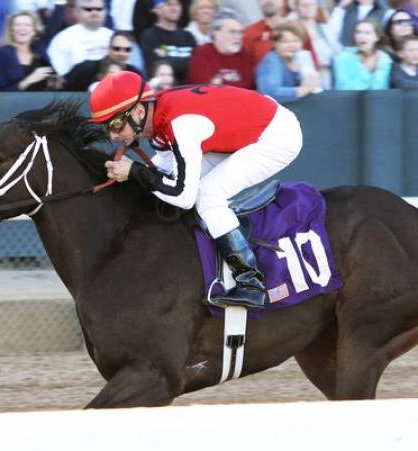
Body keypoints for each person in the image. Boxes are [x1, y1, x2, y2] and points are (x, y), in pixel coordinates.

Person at [90, 70, 303, 309]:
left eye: (116, 124)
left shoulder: (181, 124)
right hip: (249, 124)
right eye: (106, 127)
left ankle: (251, 282)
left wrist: (134, 172)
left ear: (139, 111)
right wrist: (134, 174)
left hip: (277, 136)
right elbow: (165, 170)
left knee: (208, 194)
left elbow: (183, 195)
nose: (113, 134)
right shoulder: (156, 116)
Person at [256, 20, 321, 103]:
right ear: (275, 43)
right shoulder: (271, 61)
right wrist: (303, 89)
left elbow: (313, 86)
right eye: (285, 42)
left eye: (296, 41)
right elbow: (270, 92)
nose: (292, 45)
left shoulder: (301, 56)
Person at [0, 11, 56, 91]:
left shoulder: (40, 51)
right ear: (11, 30)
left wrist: (53, 82)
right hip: (14, 102)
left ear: (34, 31)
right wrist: (28, 80)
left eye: (27, 25)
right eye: (17, 25)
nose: (22, 28)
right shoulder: (2, 54)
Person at [187, 12, 255, 88]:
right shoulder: (202, 52)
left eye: (240, 32)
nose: (238, 37)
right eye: (232, 32)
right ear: (216, 33)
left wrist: (221, 83)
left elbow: (249, 86)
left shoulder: (244, 54)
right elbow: (203, 87)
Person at [46, 0, 113, 76]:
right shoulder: (62, 39)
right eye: (88, 9)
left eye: (99, 9)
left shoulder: (113, 36)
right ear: (76, 12)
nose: (94, 13)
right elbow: (60, 75)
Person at [63, 30, 143, 91]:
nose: (121, 53)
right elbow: (63, 87)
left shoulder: (135, 74)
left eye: (127, 50)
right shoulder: (86, 68)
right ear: (109, 48)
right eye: (117, 49)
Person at [139, 0, 196, 84]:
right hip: (162, 91)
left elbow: (195, 65)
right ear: (157, 10)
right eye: (169, 4)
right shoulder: (150, 35)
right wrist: (185, 62)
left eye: (177, 4)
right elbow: (154, 66)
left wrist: (166, 58)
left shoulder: (188, 36)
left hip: (187, 90)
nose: (175, 8)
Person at [292, 0, 341, 89]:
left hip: (329, 79)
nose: (309, 8)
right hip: (303, 83)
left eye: (312, 4)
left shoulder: (325, 29)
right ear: (296, 8)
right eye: (304, 5)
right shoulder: (292, 30)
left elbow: (338, 52)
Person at [333, 19, 392, 89]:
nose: (362, 36)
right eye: (358, 32)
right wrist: (365, 70)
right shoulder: (342, 58)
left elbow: (382, 88)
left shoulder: (384, 59)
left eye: (367, 33)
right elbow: (343, 89)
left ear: (377, 37)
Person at [327, 0, 393, 46]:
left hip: (375, 58)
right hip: (347, 55)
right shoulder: (344, 9)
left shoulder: (387, 12)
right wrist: (340, 7)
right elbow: (332, 34)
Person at [243, 0, 286, 67]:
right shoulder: (249, 33)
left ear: (283, 2)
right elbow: (245, 69)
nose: (268, 1)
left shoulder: (298, 30)